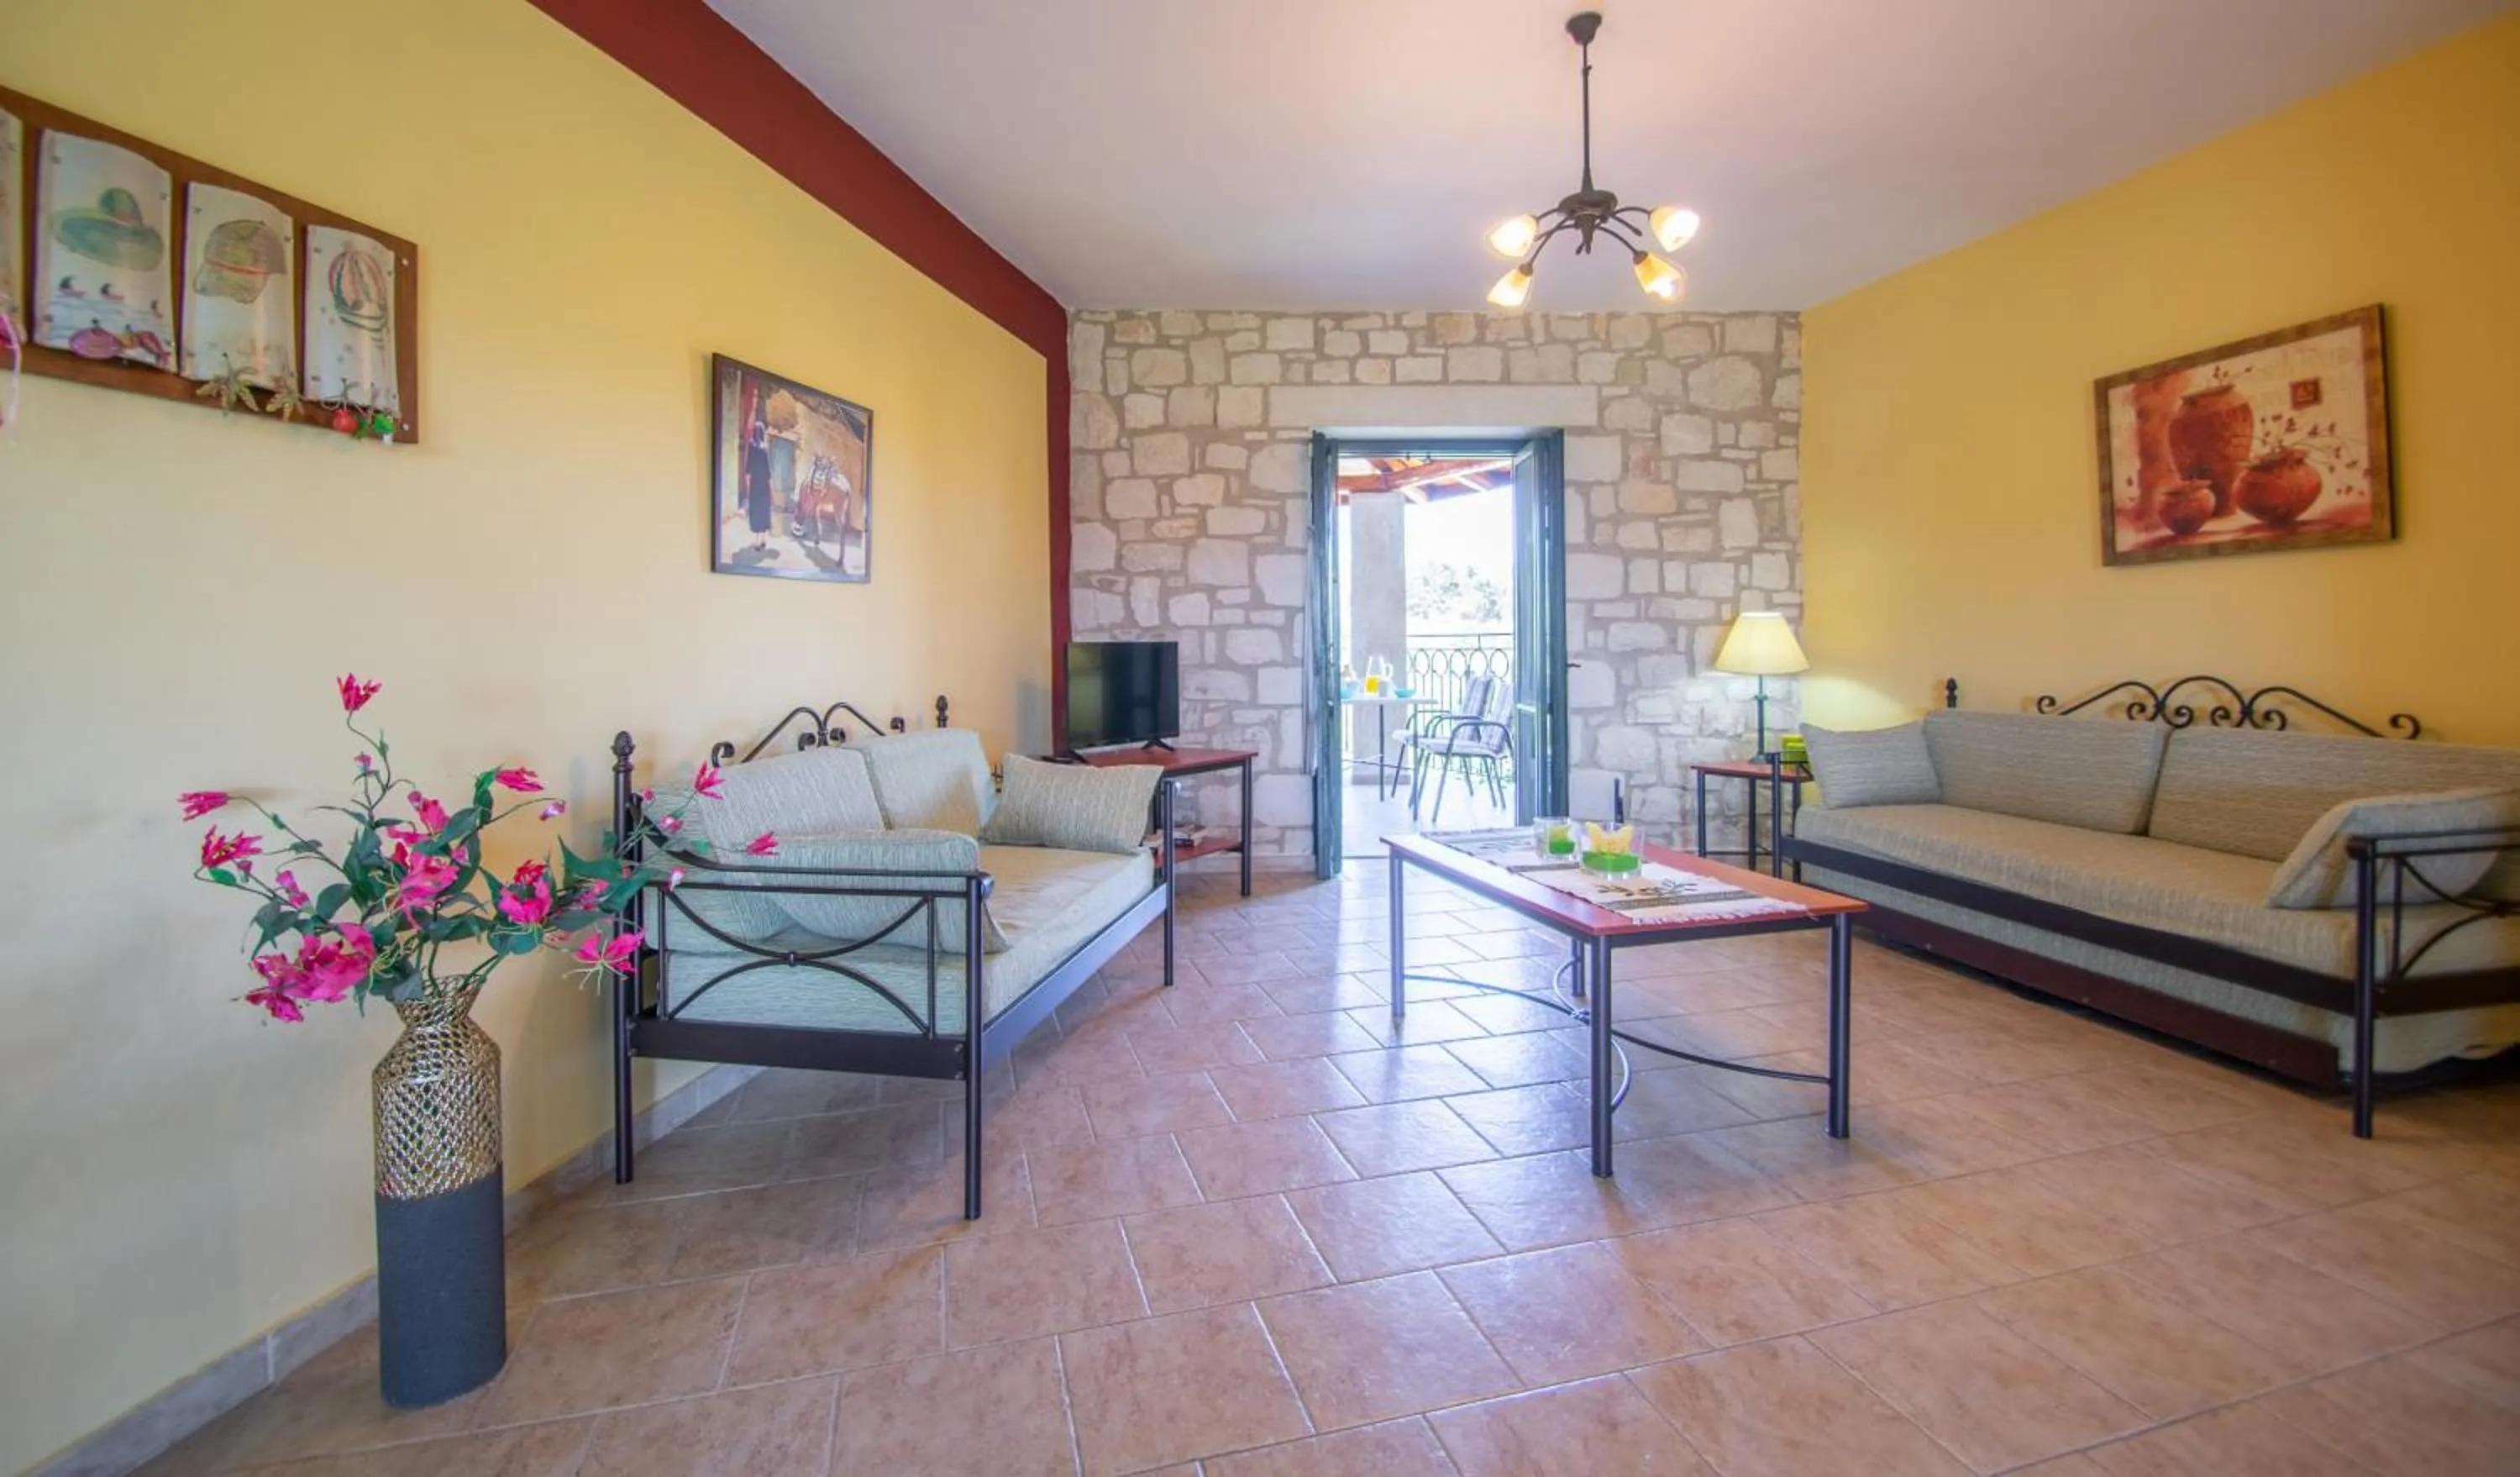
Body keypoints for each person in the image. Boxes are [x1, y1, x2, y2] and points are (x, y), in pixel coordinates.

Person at [742, 418, 774, 556]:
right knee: (764, 513)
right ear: (762, 433)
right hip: (764, 488)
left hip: (755, 487)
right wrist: (772, 490)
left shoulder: (751, 446)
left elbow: (747, 471)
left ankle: (756, 542)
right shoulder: (765, 450)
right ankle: (763, 540)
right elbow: (768, 474)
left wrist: (749, 488)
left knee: (755, 514)